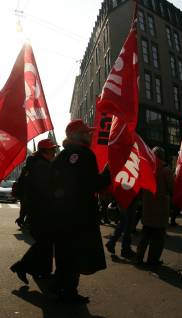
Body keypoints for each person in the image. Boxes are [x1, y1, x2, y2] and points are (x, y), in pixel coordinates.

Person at [51, 119, 110, 303]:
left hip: (60, 215)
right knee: (75, 254)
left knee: (63, 253)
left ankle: (58, 287)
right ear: (77, 135)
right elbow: (93, 184)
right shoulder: (85, 154)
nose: (90, 135)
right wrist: (109, 171)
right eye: (86, 132)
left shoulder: (60, 156)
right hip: (80, 216)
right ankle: (69, 293)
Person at [10, 138, 58, 284]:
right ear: (45, 152)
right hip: (41, 210)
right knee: (45, 242)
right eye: (53, 150)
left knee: (45, 243)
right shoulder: (41, 166)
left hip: (35, 210)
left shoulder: (34, 165)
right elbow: (45, 190)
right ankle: (23, 267)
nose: (55, 153)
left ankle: (40, 271)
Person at [136, 146, 173, 266]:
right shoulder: (165, 169)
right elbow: (172, 187)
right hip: (160, 209)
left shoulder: (146, 167)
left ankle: (139, 258)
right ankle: (152, 260)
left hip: (147, 207)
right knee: (158, 238)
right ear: (162, 155)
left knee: (145, 236)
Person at [105, 194, 139, 259]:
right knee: (128, 225)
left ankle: (112, 242)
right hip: (130, 200)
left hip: (122, 199)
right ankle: (125, 249)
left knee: (123, 222)